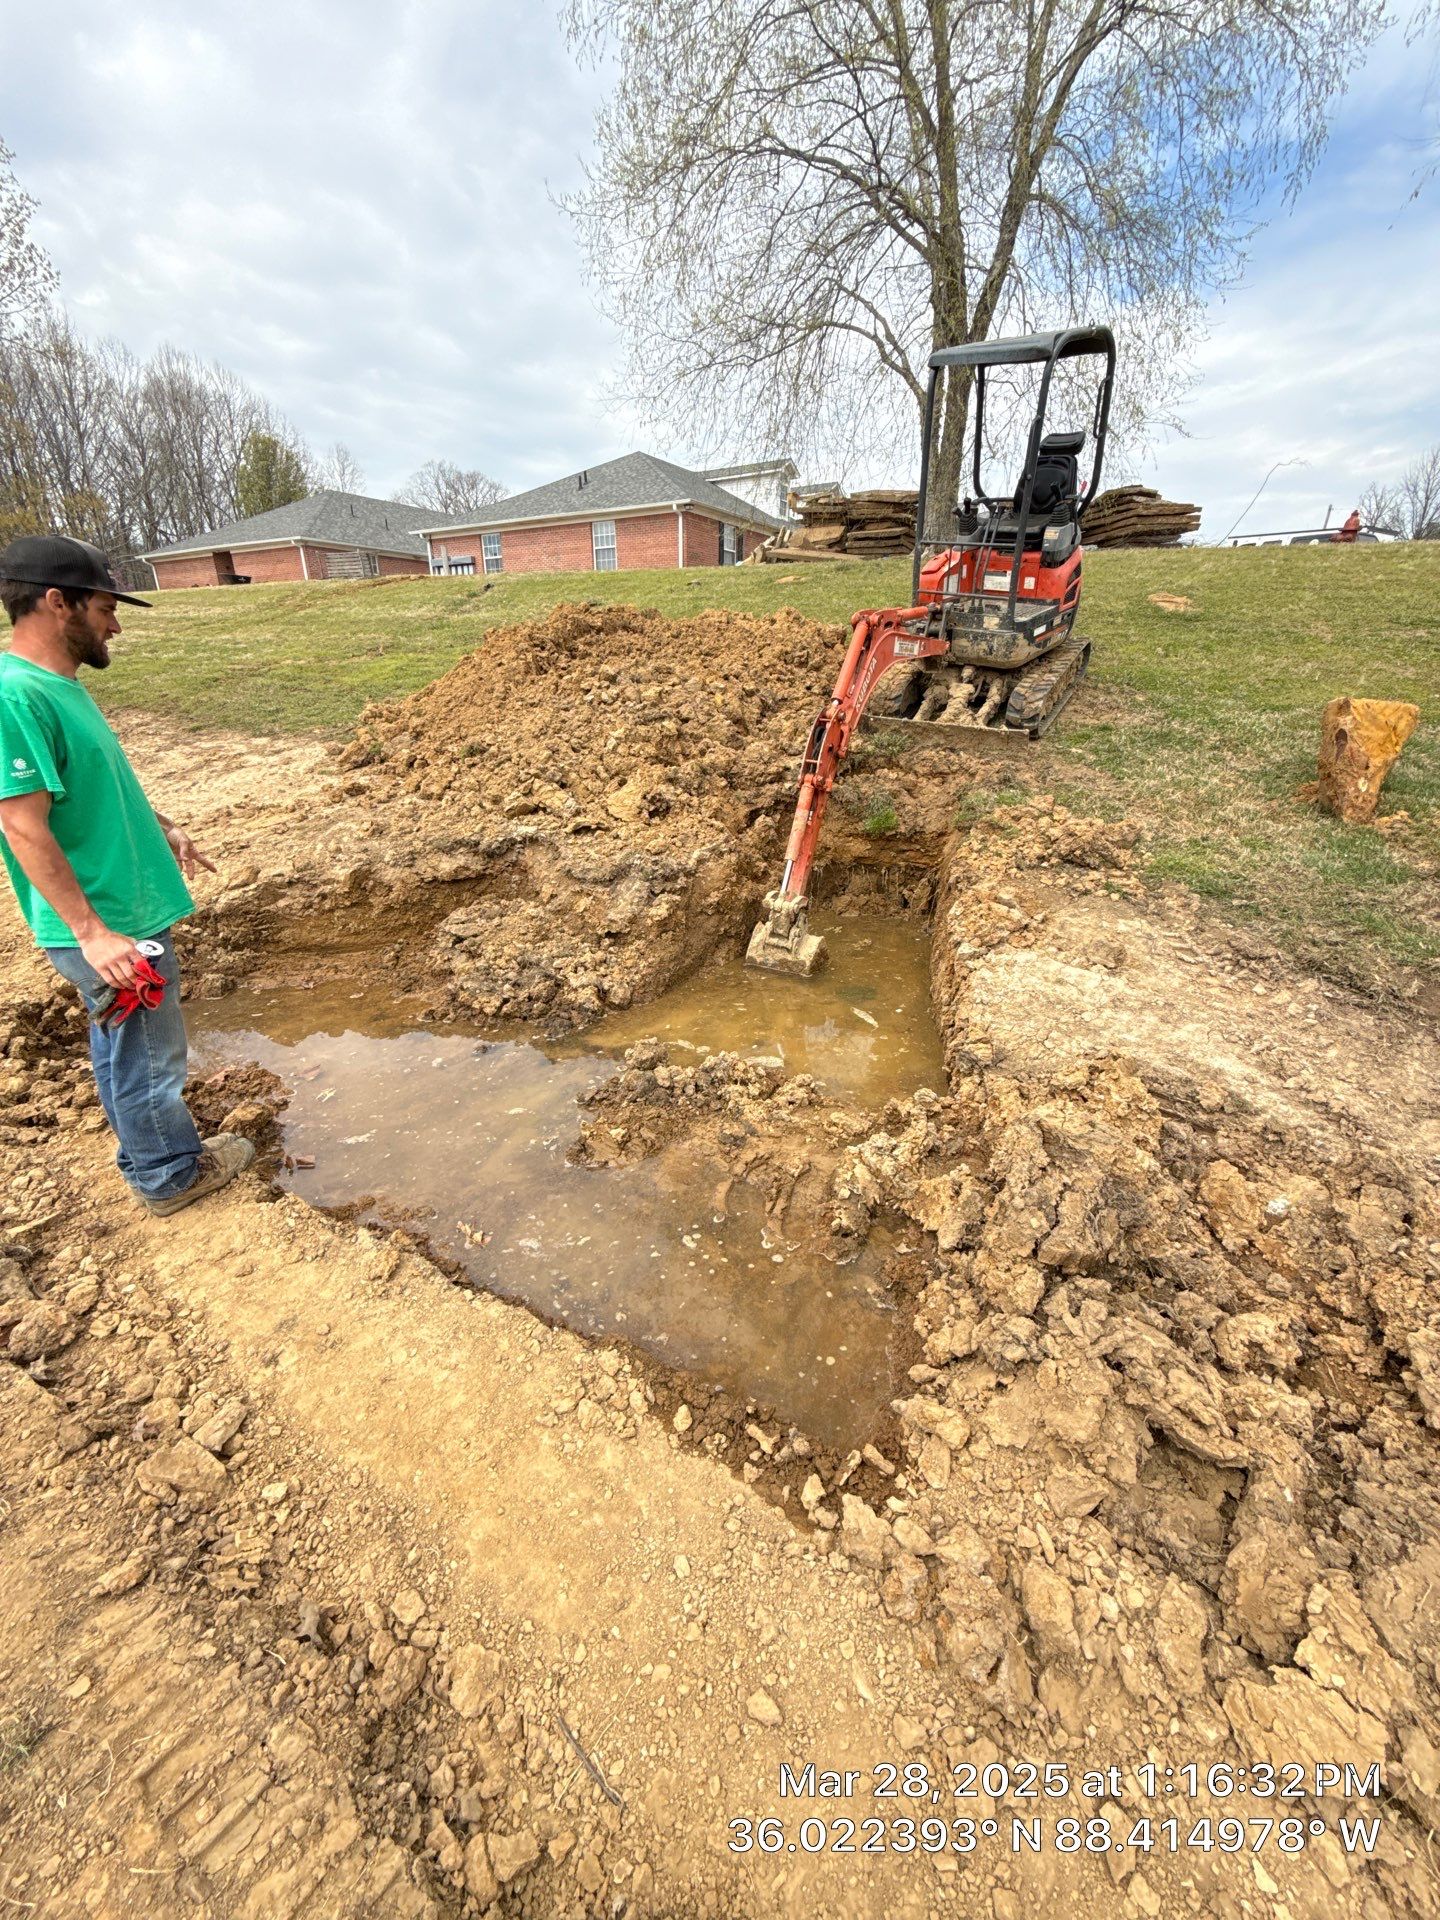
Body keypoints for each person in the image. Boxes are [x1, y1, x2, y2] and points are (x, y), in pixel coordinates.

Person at [0, 534, 253, 1215]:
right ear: (58, 602)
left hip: (119, 914)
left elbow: (88, 788)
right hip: (111, 925)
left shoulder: (57, 688)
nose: (116, 623)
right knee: (150, 1054)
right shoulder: (15, 696)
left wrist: (161, 823)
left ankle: (145, 1153)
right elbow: (21, 823)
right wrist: (92, 934)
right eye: (106, 606)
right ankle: (169, 1175)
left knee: (122, 1044)